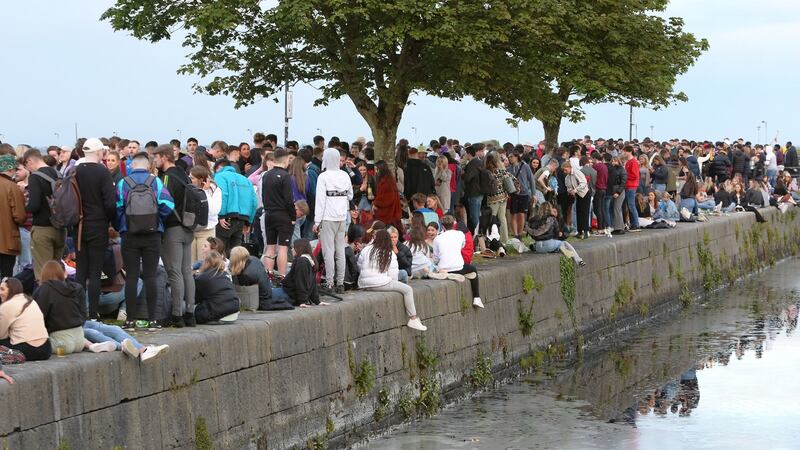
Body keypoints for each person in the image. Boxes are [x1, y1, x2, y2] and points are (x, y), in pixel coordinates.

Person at [116, 152, 174, 330]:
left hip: (129, 235)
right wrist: (157, 221)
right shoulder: (155, 181)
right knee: (150, 276)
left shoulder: (123, 183)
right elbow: (169, 205)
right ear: (148, 166)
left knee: (132, 277)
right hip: (152, 234)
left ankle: (131, 320)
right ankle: (153, 320)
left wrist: (123, 224)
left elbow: (117, 207)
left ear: (132, 165)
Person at [74, 138, 117, 320]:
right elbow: (110, 203)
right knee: (95, 271)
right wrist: (110, 220)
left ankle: (77, 311)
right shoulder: (102, 172)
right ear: (99, 152)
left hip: (78, 225)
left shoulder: (75, 171)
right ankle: (92, 313)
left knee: (81, 271)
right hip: (98, 224)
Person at [154, 145, 196, 328]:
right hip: (188, 228)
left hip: (173, 229)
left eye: (156, 157)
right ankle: (190, 313)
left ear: (164, 157)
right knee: (187, 271)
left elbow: (164, 204)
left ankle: (177, 315)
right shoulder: (183, 174)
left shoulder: (167, 177)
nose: (154, 161)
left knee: (174, 271)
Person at [358, 230, 426, 331]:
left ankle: (414, 319)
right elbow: (393, 275)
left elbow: (359, 266)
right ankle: (413, 318)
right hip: (380, 283)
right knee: (408, 290)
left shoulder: (366, 249)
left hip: (363, 283)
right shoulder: (389, 252)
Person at [23, 149, 67, 282]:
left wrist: (24, 203)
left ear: (30, 161)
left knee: (43, 274)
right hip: (60, 228)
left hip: (43, 228)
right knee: (57, 272)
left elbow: (34, 206)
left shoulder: (35, 177)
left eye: (26, 165)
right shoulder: (59, 174)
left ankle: (46, 302)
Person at [314, 148, 353, 293]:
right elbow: (350, 195)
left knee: (328, 251)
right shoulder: (344, 175)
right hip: (341, 217)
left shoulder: (323, 177)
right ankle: (340, 283)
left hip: (327, 217)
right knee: (340, 250)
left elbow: (320, 200)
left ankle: (329, 282)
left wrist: (317, 222)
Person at [430, 215, 483, 308]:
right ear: (454, 223)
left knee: (433, 268)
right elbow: (462, 246)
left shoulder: (437, 238)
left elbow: (436, 259)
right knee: (473, 269)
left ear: (442, 226)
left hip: (444, 268)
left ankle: (446, 274)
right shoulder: (460, 234)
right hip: (459, 267)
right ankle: (477, 298)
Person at [213, 159, 258, 255]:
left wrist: (221, 215)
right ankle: (235, 270)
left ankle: (220, 270)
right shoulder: (245, 180)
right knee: (235, 253)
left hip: (226, 218)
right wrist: (249, 222)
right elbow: (254, 202)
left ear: (218, 168)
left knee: (219, 251)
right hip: (242, 220)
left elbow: (223, 196)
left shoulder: (220, 176)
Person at [262, 148, 296, 276]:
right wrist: (293, 216)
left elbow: (264, 195)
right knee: (282, 247)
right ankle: (282, 277)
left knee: (270, 247)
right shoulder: (285, 176)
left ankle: (268, 276)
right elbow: (289, 200)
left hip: (269, 214)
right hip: (283, 215)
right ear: (286, 160)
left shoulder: (266, 175)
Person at [0, 277, 51, 361]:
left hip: (26, 350)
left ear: (11, 290)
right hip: (45, 349)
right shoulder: (31, 301)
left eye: (2, 289)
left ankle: (11, 355)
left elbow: (2, 335)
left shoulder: (7, 305)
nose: (0, 292)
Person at [229, 246, 293, 311]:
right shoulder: (254, 259)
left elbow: (244, 292)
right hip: (270, 289)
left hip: (264, 298)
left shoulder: (246, 274)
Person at [0, 154, 27, 279]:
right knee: (6, 278)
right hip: (6, 240)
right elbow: (20, 217)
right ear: (11, 170)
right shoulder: (12, 187)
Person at [193, 251, 240, 324]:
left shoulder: (202, 278)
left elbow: (195, 299)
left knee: (188, 309)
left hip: (218, 313)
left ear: (207, 263)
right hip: (233, 312)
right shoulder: (225, 274)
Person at [273, 239, 320, 307]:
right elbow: (312, 283)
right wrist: (317, 301)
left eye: (293, 247)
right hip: (291, 295)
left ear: (299, 248)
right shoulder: (310, 261)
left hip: (288, 295)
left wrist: (302, 301)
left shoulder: (301, 262)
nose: (292, 250)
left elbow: (300, 282)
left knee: (263, 293)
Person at [189, 165, 222, 262]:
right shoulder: (190, 189)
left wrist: (205, 192)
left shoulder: (214, 190)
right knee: (191, 263)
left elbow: (212, 211)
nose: (189, 180)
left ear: (200, 179)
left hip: (207, 229)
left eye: (192, 178)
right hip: (191, 229)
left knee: (204, 261)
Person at [484, 152, 510, 244]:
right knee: (502, 218)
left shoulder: (488, 171)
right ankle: (504, 240)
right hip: (503, 196)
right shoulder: (502, 170)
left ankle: (491, 239)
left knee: (491, 219)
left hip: (492, 198)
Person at [508, 150, 535, 238]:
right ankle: (515, 234)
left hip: (524, 193)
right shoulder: (509, 169)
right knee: (514, 214)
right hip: (513, 194)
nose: (510, 158)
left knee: (522, 214)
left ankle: (519, 233)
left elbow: (531, 180)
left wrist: (533, 194)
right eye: (509, 157)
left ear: (516, 157)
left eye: (511, 156)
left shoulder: (525, 166)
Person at [372, 161, 403, 234]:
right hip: (391, 212)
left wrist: (376, 203)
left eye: (377, 169)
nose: (376, 171)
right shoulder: (388, 179)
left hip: (388, 213)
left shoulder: (386, 181)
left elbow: (387, 197)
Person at [563, 161, 591, 239]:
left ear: (569, 167)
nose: (565, 172)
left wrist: (575, 190)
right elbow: (568, 185)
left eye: (566, 170)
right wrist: (570, 190)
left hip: (584, 194)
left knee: (584, 213)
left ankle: (585, 231)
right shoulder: (567, 177)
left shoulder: (577, 173)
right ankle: (579, 231)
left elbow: (583, 183)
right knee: (578, 212)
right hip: (577, 195)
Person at [607, 155, 628, 235]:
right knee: (613, 208)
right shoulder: (611, 169)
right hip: (612, 189)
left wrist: (618, 192)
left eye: (615, 161)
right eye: (612, 161)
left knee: (617, 208)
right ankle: (615, 226)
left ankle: (619, 227)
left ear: (618, 161)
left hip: (619, 189)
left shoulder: (622, 170)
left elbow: (623, 182)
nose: (613, 162)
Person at [623, 145, 641, 230]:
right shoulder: (629, 162)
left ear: (629, 151)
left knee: (631, 205)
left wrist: (625, 175)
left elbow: (634, 175)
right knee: (630, 205)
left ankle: (636, 224)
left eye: (625, 151)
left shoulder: (633, 162)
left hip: (631, 185)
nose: (624, 153)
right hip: (629, 185)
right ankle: (633, 223)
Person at [592, 152, 608, 232]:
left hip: (598, 189)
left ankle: (600, 228)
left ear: (595, 158)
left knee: (597, 209)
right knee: (602, 209)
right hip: (604, 189)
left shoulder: (595, 167)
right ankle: (604, 226)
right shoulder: (604, 166)